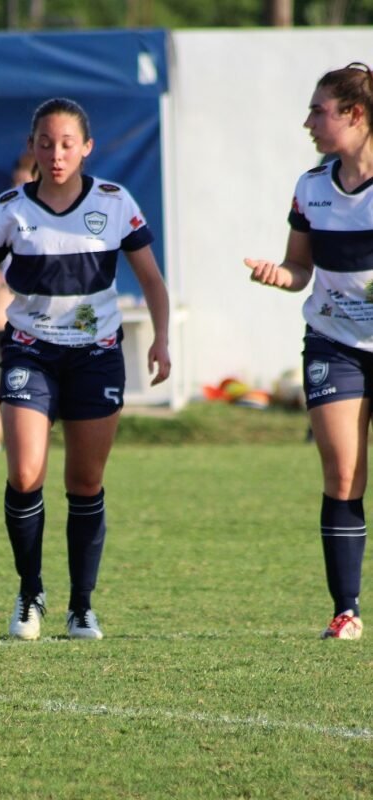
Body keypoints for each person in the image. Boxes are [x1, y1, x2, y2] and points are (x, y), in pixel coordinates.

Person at [0, 98, 170, 641]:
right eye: (46, 142)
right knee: (24, 475)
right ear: (32, 148)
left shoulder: (116, 203)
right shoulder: (9, 207)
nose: (56, 152)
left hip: (96, 354)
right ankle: (29, 591)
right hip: (30, 350)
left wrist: (162, 340)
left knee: (84, 482)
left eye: (68, 143)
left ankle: (81, 606)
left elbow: (153, 281)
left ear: (87, 148)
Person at [244, 62, 373, 641]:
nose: (309, 122)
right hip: (334, 342)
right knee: (342, 472)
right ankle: (346, 610)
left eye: (319, 111)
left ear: (356, 115)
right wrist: (282, 275)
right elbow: (301, 267)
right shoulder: (311, 187)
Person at [0, 152, 36, 453]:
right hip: (12, 307)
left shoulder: (56, 218)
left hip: (46, 311)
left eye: (25, 180)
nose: (19, 186)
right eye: (15, 180)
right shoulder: (4, 212)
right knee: (10, 372)